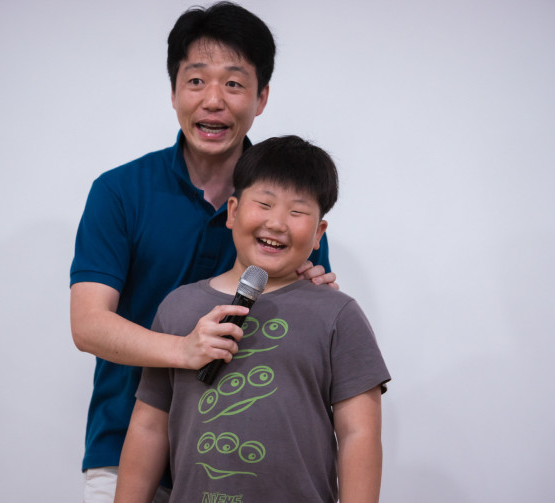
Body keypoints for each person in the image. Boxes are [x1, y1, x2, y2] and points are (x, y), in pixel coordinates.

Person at [69, 3, 336, 501]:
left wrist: (313, 296)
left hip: (242, 463)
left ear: (261, 97)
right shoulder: (120, 192)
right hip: (123, 448)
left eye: (234, 83)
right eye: (196, 81)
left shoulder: (288, 212)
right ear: (173, 92)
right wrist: (183, 350)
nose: (213, 100)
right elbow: (88, 324)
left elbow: (307, 345)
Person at [115, 136, 391, 503]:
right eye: (264, 204)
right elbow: (149, 426)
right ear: (232, 212)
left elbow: (360, 433)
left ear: (318, 234)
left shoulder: (337, 314)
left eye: (297, 212)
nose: (277, 223)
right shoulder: (179, 307)